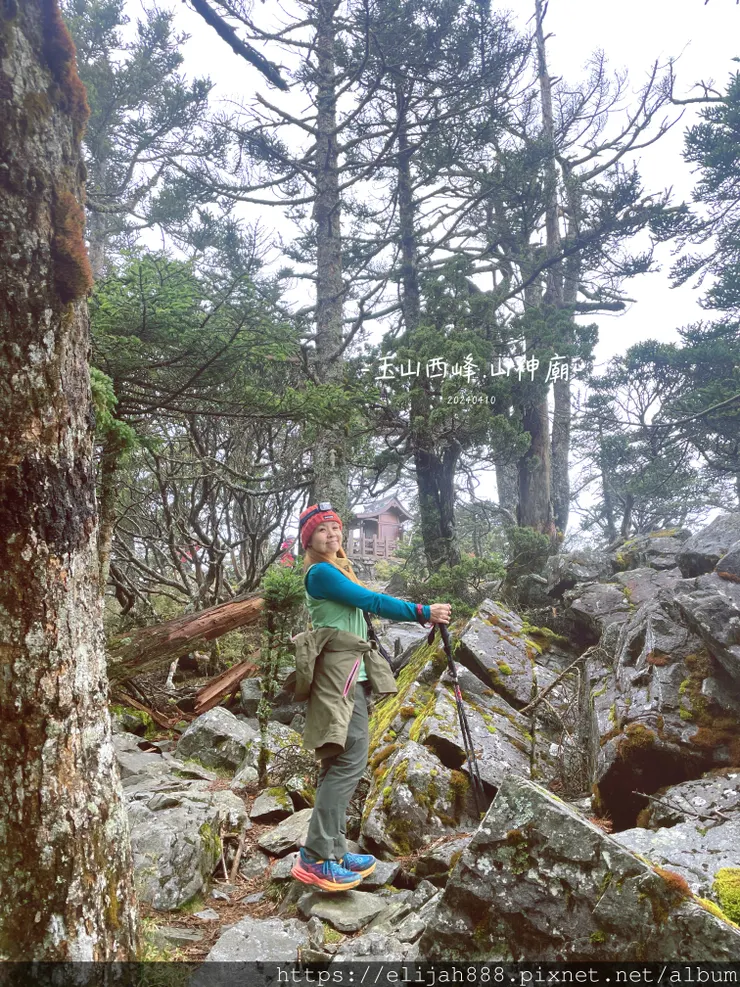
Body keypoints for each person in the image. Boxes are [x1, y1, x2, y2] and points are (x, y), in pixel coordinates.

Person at [289, 502, 452, 892]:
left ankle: (333, 848)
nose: (332, 535)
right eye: (323, 530)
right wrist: (422, 611)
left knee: (341, 762)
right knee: (347, 761)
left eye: (335, 528)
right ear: (308, 538)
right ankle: (315, 858)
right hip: (338, 676)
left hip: (349, 672)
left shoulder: (336, 567)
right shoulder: (322, 572)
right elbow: (371, 601)